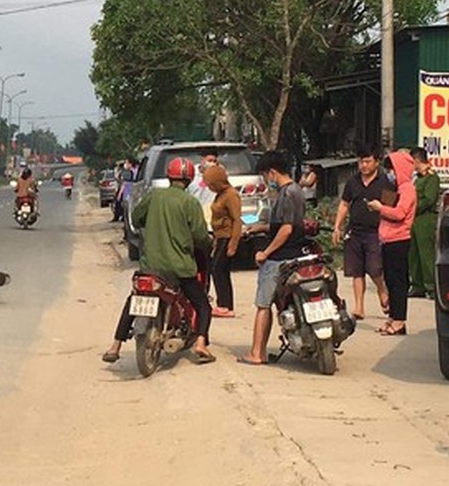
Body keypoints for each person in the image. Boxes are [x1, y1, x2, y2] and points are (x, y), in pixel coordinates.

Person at [101, 157, 215, 364]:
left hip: (150, 266)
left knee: (133, 300)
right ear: (189, 179)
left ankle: (115, 345)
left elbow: (135, 219)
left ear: (169, 177)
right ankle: (200, 344)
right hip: (180, 268)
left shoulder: (153, 197)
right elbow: (200, 236)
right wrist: (209, 242)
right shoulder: (190, 202)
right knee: (203, 304)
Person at [240, 150, 306, 365]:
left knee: (263, 304)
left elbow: (286, 230)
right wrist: (259, 227)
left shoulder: (286, 194)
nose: (267, 181)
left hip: (280, 258)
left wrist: (265, 253)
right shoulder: (296, 191)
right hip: (298, 254)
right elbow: (284, 225)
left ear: (272, 173)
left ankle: (257, 353)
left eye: (265, 176)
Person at [331, 147, 389, 320]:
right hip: (354, 231)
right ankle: (359, 307)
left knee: (374, 268)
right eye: (360, 162)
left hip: (376, 232)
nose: (363, 165)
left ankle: (382, 289)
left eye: (367, 161)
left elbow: (390, 207)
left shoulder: (385, 182)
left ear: (376, 162)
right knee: (356, 271)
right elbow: (344, 204)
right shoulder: (352, 182)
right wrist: (337, 227)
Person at [367, 150, 416, 336]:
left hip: (399, 240)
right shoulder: (394, 188)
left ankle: (399, 321)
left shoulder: (407, 189)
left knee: (398, 282)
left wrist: (380, 208)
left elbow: (399, 213)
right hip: (388, 240)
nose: (390, 173)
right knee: (390, 280)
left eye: (392, 169)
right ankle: (393, 317)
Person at [203, 163, 242, 318]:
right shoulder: (220, 194)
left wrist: (233, 244)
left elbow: (237, 220)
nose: (209, 187)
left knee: (218, 269)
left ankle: (225, 305)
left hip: (227, 236)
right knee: (218, 270)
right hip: (219, 237)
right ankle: (224, 304)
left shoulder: (231, 195)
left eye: (210, 184)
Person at [407, 147, 440, 299]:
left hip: (425, 218)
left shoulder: (431, 177)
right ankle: (417, 285)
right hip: (413, 219)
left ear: (418, 161)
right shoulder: (416, 178)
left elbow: (429, 199)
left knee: (426, 253)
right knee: (413, 253)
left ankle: (431, 285)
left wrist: (413, 207)